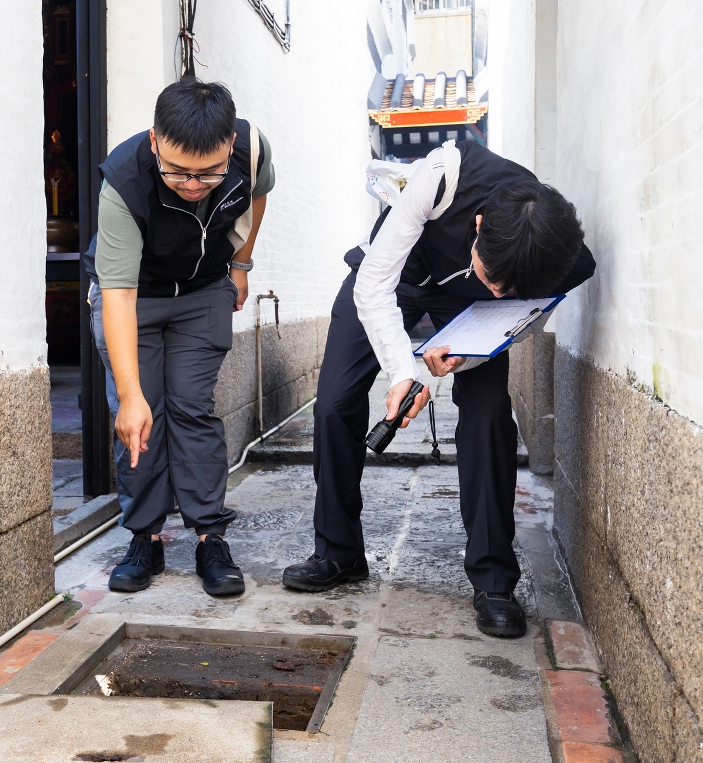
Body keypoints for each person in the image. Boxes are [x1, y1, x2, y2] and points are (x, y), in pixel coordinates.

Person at [280, 139, 594, 638]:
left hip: (471, 310)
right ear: (479, 226)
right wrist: (403, 372)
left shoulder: (561, 257)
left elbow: (523, 318)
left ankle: (494, 581)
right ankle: (338, 552)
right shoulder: (442, 175)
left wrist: (470, 354)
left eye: (509, 288)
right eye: (493, 278)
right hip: (396, 277)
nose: (500, 290)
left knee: (489, 414)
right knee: (335, 402)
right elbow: (373, 286)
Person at [85, 79, 276, 596]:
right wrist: (129, 396)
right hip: (136, 297)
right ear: (154, 142)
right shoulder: (124, 181)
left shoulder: (252, 150)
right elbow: (118, 295)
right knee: (141, 414)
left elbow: (257, 195)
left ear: (229, 148)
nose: (192, 185)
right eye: (177, 172)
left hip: (203, 291)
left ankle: (210, 537)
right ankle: (144, 537)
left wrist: (240, 264)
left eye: (209, 172)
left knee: (192, 407)